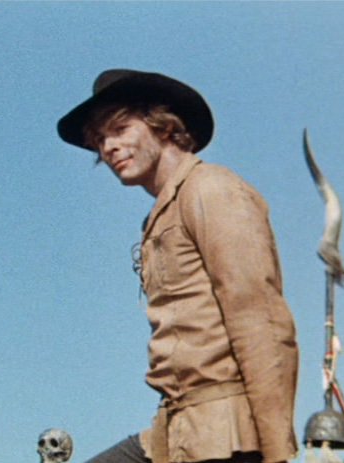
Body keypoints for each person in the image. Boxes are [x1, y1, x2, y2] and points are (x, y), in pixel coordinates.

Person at [57, 69, 299, 463]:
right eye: (99, 139)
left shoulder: (211, 189)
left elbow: (261, 321)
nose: (109, 147)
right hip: (174, 429)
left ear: (164, 126)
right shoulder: (160, 215)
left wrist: (274, 452)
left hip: (226, 433)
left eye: (120, 129)